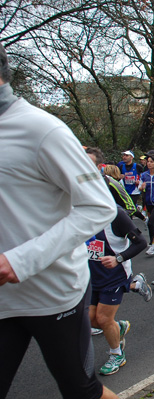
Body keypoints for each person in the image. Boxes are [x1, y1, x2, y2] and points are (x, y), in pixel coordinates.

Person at [0, 42, 119, 399]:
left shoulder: (40, 129)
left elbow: (99, 206)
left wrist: (19, 260)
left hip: (50, 294)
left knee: (80, 391)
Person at [87, 207, 152, 375]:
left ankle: (117, 354)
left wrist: (118, 259)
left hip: (114, 275)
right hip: (91, 275)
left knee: (103, 318)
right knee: (90, 320)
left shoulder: (115, 214)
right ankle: (119, 328)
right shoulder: (78, 210)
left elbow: (141, 242)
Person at [140, 153, 154, 256]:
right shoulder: (144, 175)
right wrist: (142, 187)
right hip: (149, 203)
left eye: (151, 162)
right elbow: (139, 187)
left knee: (150, 223)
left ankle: (153, 245)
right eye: (148, 161)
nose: (149, 164)